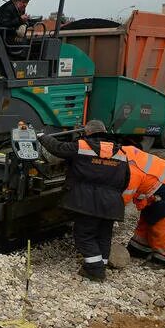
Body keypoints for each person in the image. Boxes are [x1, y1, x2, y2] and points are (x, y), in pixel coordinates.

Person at [34, 119, 130, 282]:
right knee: (104, 234)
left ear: (88, 133)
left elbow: (58, 148)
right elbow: (126, 179)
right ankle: (102, 264)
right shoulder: (121, 152)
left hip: (88, 201)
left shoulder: (83, 145)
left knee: (84, 234)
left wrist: (41, 136)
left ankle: (95, 270)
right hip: (111, 203)